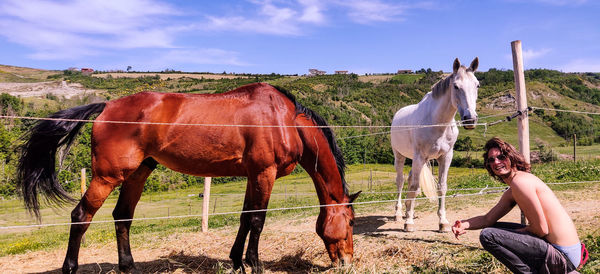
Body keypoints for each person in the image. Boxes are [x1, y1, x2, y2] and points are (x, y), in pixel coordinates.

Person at [452, 137, 583, 273]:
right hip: (564, 250)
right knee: (492, 228)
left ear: (511, 157)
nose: (496, 162)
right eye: (491, 160)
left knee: (488, 235)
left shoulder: (520, 183)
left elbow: (541, 229)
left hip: (563, 255)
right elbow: (488, 219)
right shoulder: (516, 185)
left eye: (501, 157)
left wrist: (517, 233)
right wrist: (463, 224)